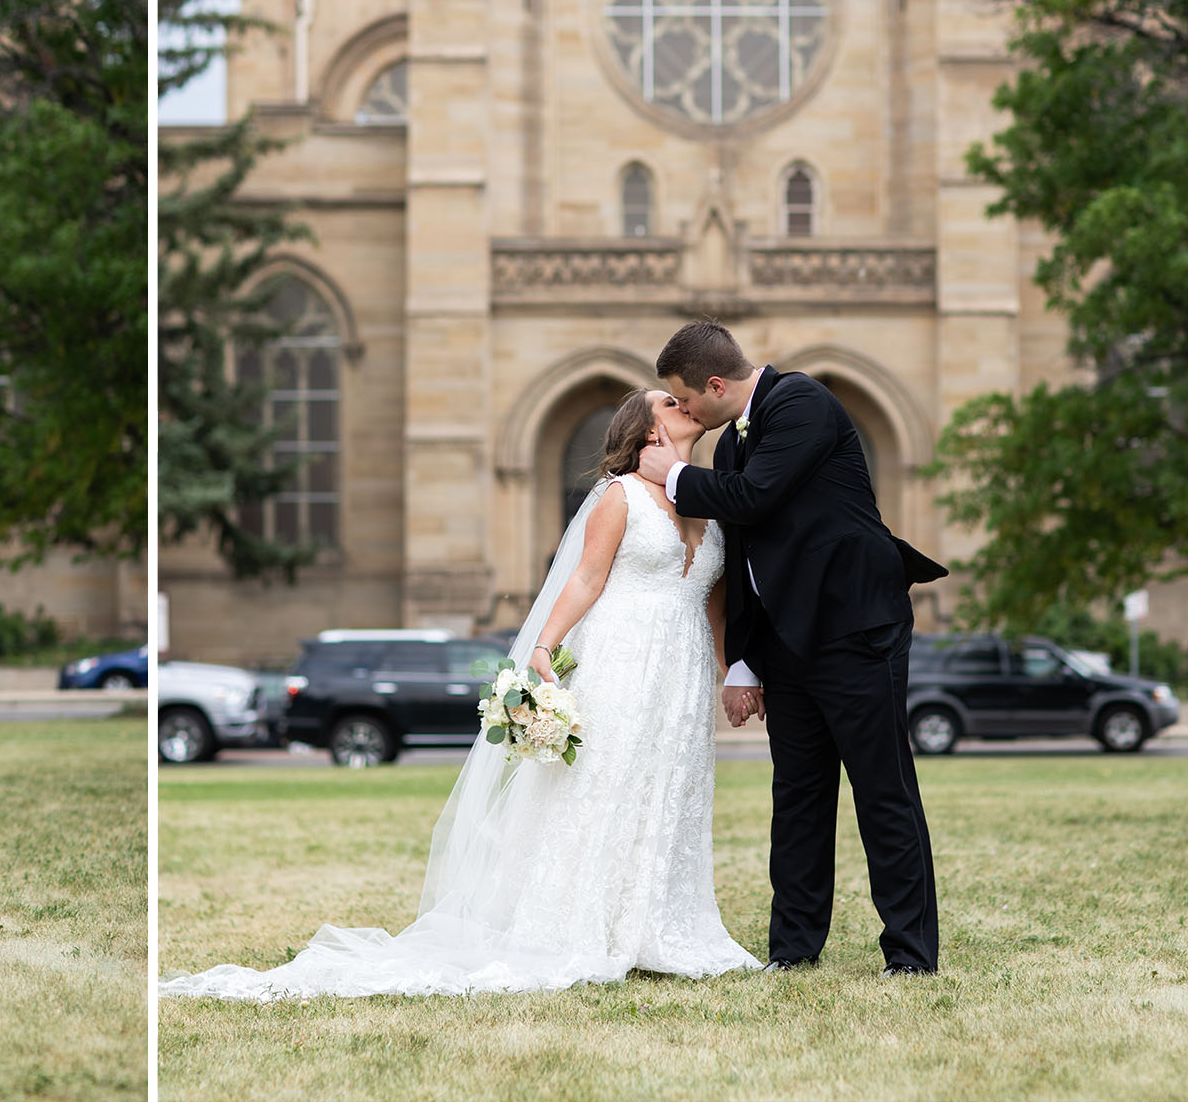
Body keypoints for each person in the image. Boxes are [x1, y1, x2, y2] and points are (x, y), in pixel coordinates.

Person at [160, 387, 760, 1000]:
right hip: (623, 659)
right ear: (646, 427)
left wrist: (735, 671)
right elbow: (586, 578)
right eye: (668, 400)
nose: (684, 402)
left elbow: (712, 602)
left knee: (669, 784)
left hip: (681, 674)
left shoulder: (706, 500)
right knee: (605, 783)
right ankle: (582, 923)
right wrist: (543, 645)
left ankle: (656, 924)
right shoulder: (622, 495)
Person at [635, 318, 945, 976]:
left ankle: (912, 956)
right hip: (788, 646)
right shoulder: (729, 449)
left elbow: (755, 497)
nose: (684, 412)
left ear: (715, 386)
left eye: (686, 401)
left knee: (882, 792)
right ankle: (794, 949)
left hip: (857, 631)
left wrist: (672, 475)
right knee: (798, 799)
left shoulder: (802, 401)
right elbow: (743, 557)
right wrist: (744, 660)